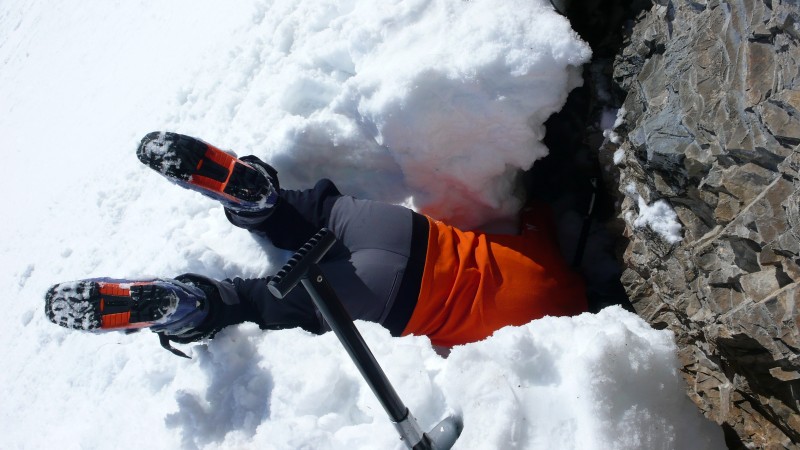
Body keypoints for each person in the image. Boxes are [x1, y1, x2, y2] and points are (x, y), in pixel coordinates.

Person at [45, 132, 604, 357]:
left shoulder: (552, 266)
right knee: (262, 300)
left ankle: (259, 199)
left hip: (411, 235)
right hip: (389, 300)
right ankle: (193, 306)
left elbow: (533, 214)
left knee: (315, 213)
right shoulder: (546, 350)